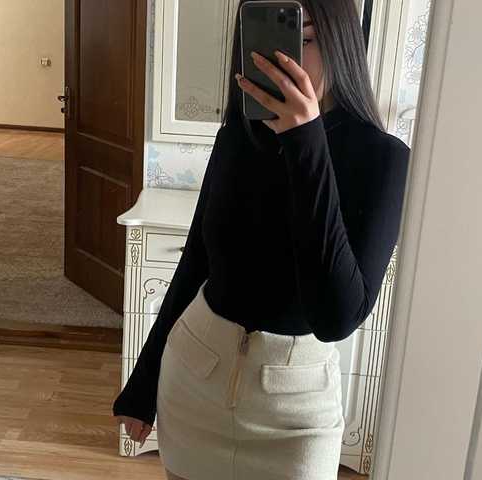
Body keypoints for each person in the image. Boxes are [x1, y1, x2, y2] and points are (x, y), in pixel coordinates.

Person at [113, 1, 411, 479]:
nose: (282, 58)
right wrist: (143, 383)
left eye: (303, 39)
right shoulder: (238, 137)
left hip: (296, 422)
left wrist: (306, 142)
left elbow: (336, 317)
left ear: (340, 41)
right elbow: (196, 262)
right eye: (266, 39)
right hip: (194, 386)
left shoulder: (384, 160)